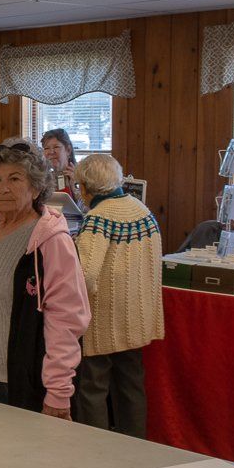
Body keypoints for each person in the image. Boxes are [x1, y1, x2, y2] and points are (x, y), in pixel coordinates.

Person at [0, 140, 90, 417]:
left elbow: (66, 319)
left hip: (25, 382)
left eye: (15, 179)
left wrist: (59, 390)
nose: (3, 188)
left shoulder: (51, 240)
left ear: (36, 187)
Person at [71, 154, 163, 438]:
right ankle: (135, 445)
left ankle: (96, 447)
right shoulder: (143, 211)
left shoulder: (98, 218)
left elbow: (85, 274)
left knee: (93, 387)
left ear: (86, 187)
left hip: (103, 319)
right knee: (131, 385)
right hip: (136, 316)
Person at [40, 127, 82, 205]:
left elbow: (88, 208)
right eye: (46, 148)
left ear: (68, 150)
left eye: (56, 147)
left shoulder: (82, 175)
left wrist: (76, 185)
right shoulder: (44, 177)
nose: (51, 152)